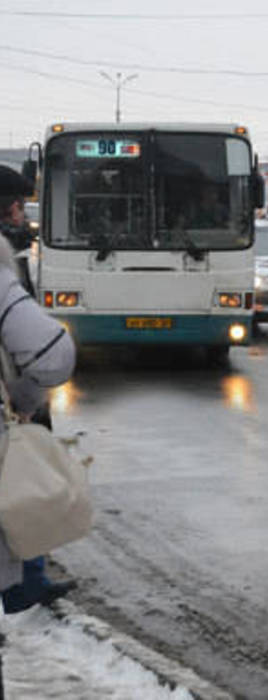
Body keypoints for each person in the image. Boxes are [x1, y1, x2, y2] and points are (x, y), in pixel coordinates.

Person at [0, 168, 77, 614]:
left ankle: (31, 577)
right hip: (16, 403)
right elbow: (53, 355)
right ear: (9, 207)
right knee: (21, 488)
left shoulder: (17, 254)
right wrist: (24, 399)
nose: (25, 214)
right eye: (20, 205)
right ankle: (24, 584)